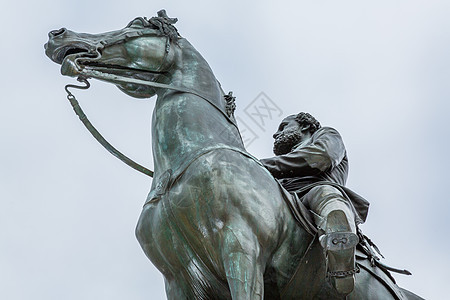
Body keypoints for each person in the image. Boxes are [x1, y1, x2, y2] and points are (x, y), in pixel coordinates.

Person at [260, 112, 370, 296]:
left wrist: (261, 165)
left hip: (312, 194)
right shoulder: (277, 166)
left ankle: (340, 241)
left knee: (324, 193)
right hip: (283, 202)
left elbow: (322, 157)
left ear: (304, 126)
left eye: (284, 126)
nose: (276, 134)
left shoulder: (326, 135)